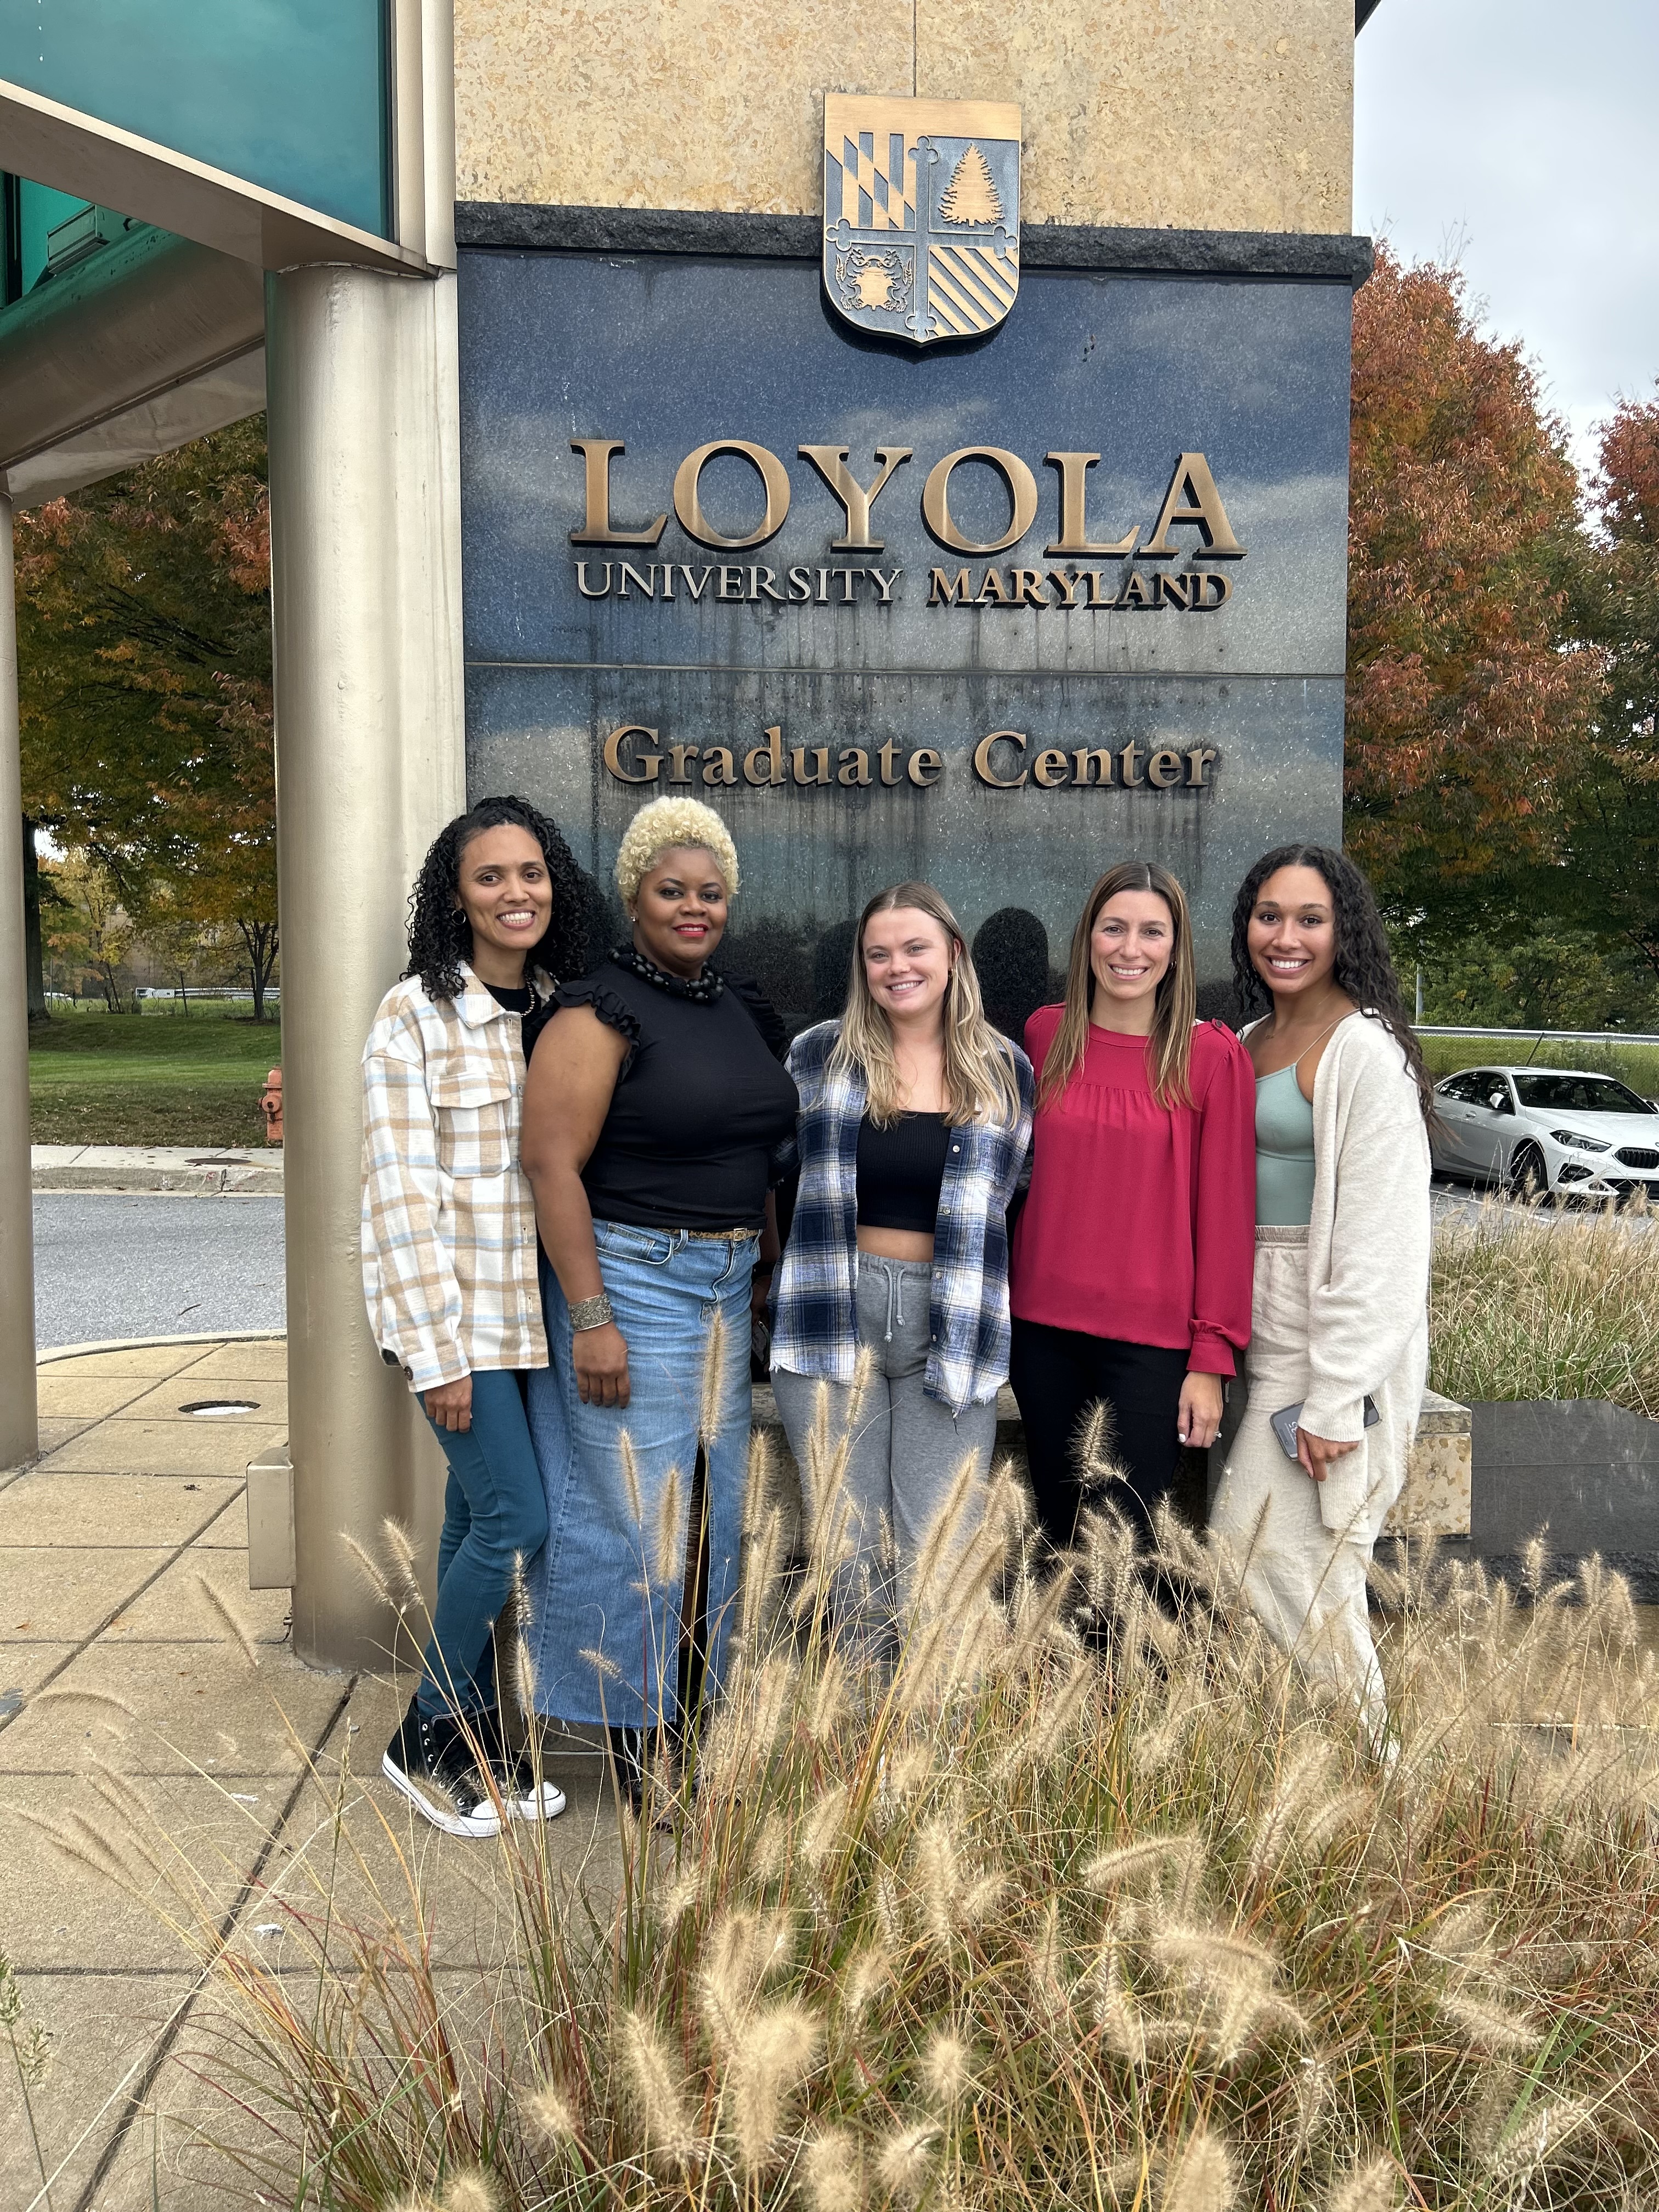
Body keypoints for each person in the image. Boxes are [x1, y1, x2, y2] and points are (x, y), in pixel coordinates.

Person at [518, 797, 798, 1805]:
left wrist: (762, 1271)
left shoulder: (735, 1007)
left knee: (712, 1518)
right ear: (634, 893)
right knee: (642, 1521)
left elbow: (761, 1149)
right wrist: (592, 1318)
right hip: (632, 1279)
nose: (693, 907)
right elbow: (551, 1165)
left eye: (710, 892)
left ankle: (696, 1710)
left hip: (725, 1290)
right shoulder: (596, 1011)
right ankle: (642, 1747)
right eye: (671, 889)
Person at [362, 794, 590, 1837]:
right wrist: (434, 1353)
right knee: (517, 1521)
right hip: (457, 1327)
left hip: (531, 1323)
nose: (515, 893)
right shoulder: (415, 1013)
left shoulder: (555, 1009)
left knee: (470, 1520)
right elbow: (398, 1199)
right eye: (490, 876)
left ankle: (471, 1736)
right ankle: (422, 1737)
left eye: (530, 873)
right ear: (455, 896)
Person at [769, 883, 1034, 1657]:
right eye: (878, 953)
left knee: (935, 1558)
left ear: (952, 954)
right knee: (850, 1558)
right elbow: (770, 1166)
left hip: (952, 1326)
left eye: (915, 948)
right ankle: (863, 1748)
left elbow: (1016, 1191)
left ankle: (929, 1756)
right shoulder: (819, 1055)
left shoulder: (1005, 1068)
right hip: (831, 1317)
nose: (897, 967)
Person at [1209, 843, 1432, 1745]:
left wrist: (1338, 1394)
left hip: (1330, 1345)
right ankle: (1335, 1767)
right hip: (1254, 1341)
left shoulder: (1364, 1051)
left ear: (1343, 929)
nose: (1284, 935)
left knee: (1272, 1555)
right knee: (1292, 1571)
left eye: (1308, 917)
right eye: (1268, 915)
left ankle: (1377, 1770)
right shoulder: (1245, 1040)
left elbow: (1385, 1247)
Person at [1008, 860, 1255, 1554]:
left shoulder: (1211, 1058)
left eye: (1152, 932)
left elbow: (1227, 1219)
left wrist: (1212, 1356)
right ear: (1088, 938)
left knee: (1127, 1545)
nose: (1130, 949)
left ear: (1175, 949)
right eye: (1114, 929)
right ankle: (1062, 1668)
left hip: (1152, 1346)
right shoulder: (1042, 1037)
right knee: (1060, 1534)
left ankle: (1124, 1669)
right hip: (1042, 1331)